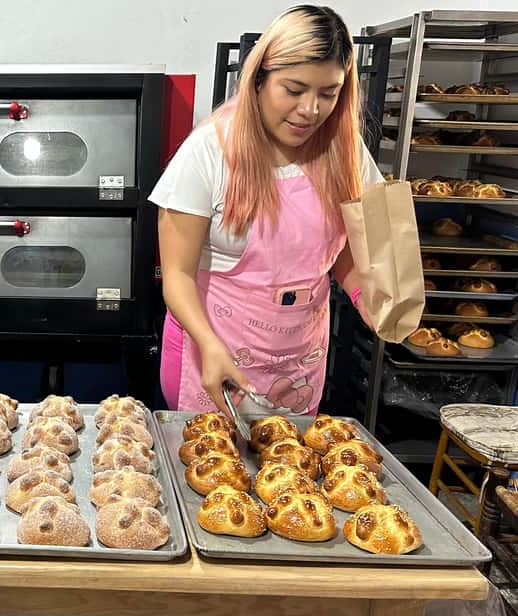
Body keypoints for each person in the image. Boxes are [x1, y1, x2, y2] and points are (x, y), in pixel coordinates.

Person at [151, 5, 381, 417]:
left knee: (285, 475)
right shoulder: (209, 152)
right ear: (259, 79)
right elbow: (177, 276)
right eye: (294, 90)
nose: (310, 109)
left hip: (297, 365)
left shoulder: (345, 153)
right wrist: (209, 345)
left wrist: (368, 297)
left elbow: (342, 251)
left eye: (328, 93)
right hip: (211, 357)